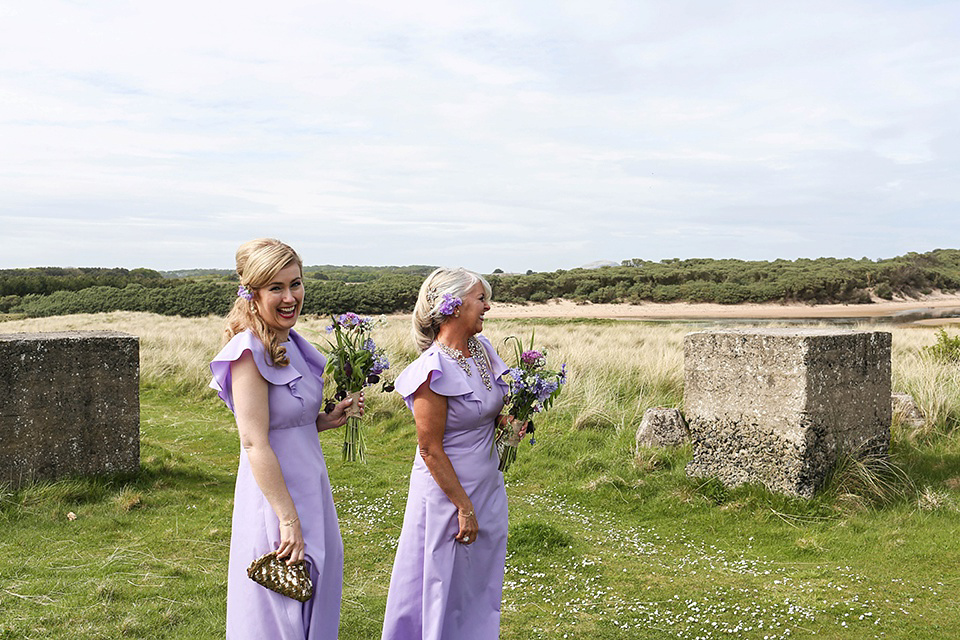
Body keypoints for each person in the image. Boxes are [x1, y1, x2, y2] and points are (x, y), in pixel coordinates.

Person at [209, 238, 360, 639]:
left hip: (312, 487)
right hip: (276, 498)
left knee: (316, 586)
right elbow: (255, 441)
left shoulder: (292, 343)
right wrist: (287, 519)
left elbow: (290, 424)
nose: (290, 297)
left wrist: (327, 420)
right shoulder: (247, 353)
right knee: (280, 603)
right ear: (252, 293)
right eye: (276, 288)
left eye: (295, 284)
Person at [381, 267, 522, 640]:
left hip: (487, 484)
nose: (488, 306)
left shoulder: (483, 350)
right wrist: (463, 507)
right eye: (480, 299)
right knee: (439, 582)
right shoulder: (432, 369)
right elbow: (429, 448)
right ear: (455, 306)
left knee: (476, 585)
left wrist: (511, 424)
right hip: (448, 494)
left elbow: (493, 410)